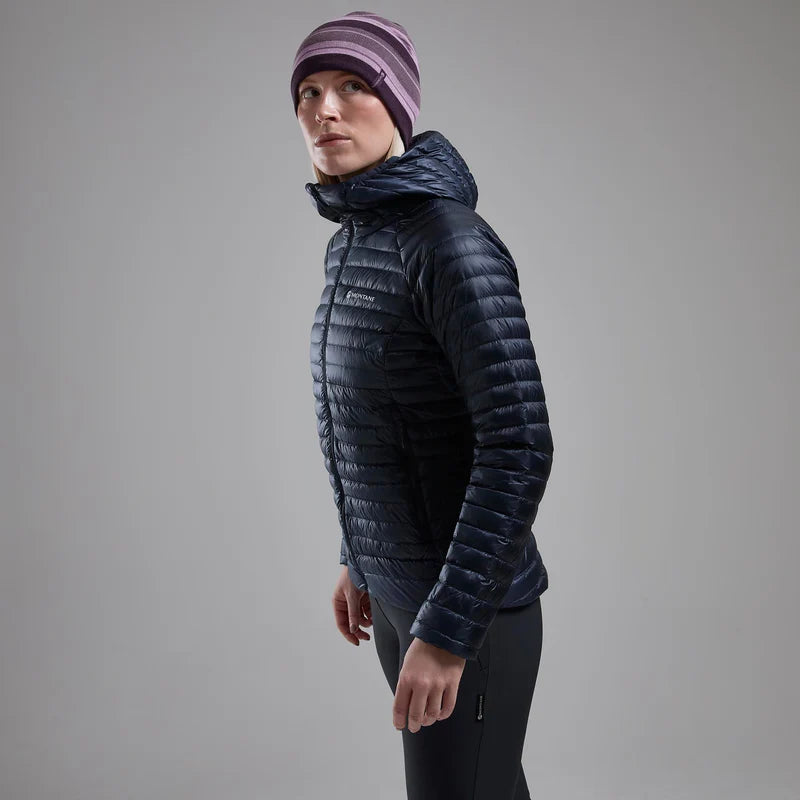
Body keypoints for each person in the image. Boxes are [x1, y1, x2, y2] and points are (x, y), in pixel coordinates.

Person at [291, 12, 554, 800]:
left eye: (352, 86)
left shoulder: (447, 240)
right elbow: (370, 421)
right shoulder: (352, 241)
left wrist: (447, 632)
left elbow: (519, 443)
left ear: (399, 105)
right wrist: (359, 551)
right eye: (307, 92)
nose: (324, 109)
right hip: (403, 591)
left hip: (467, 612)